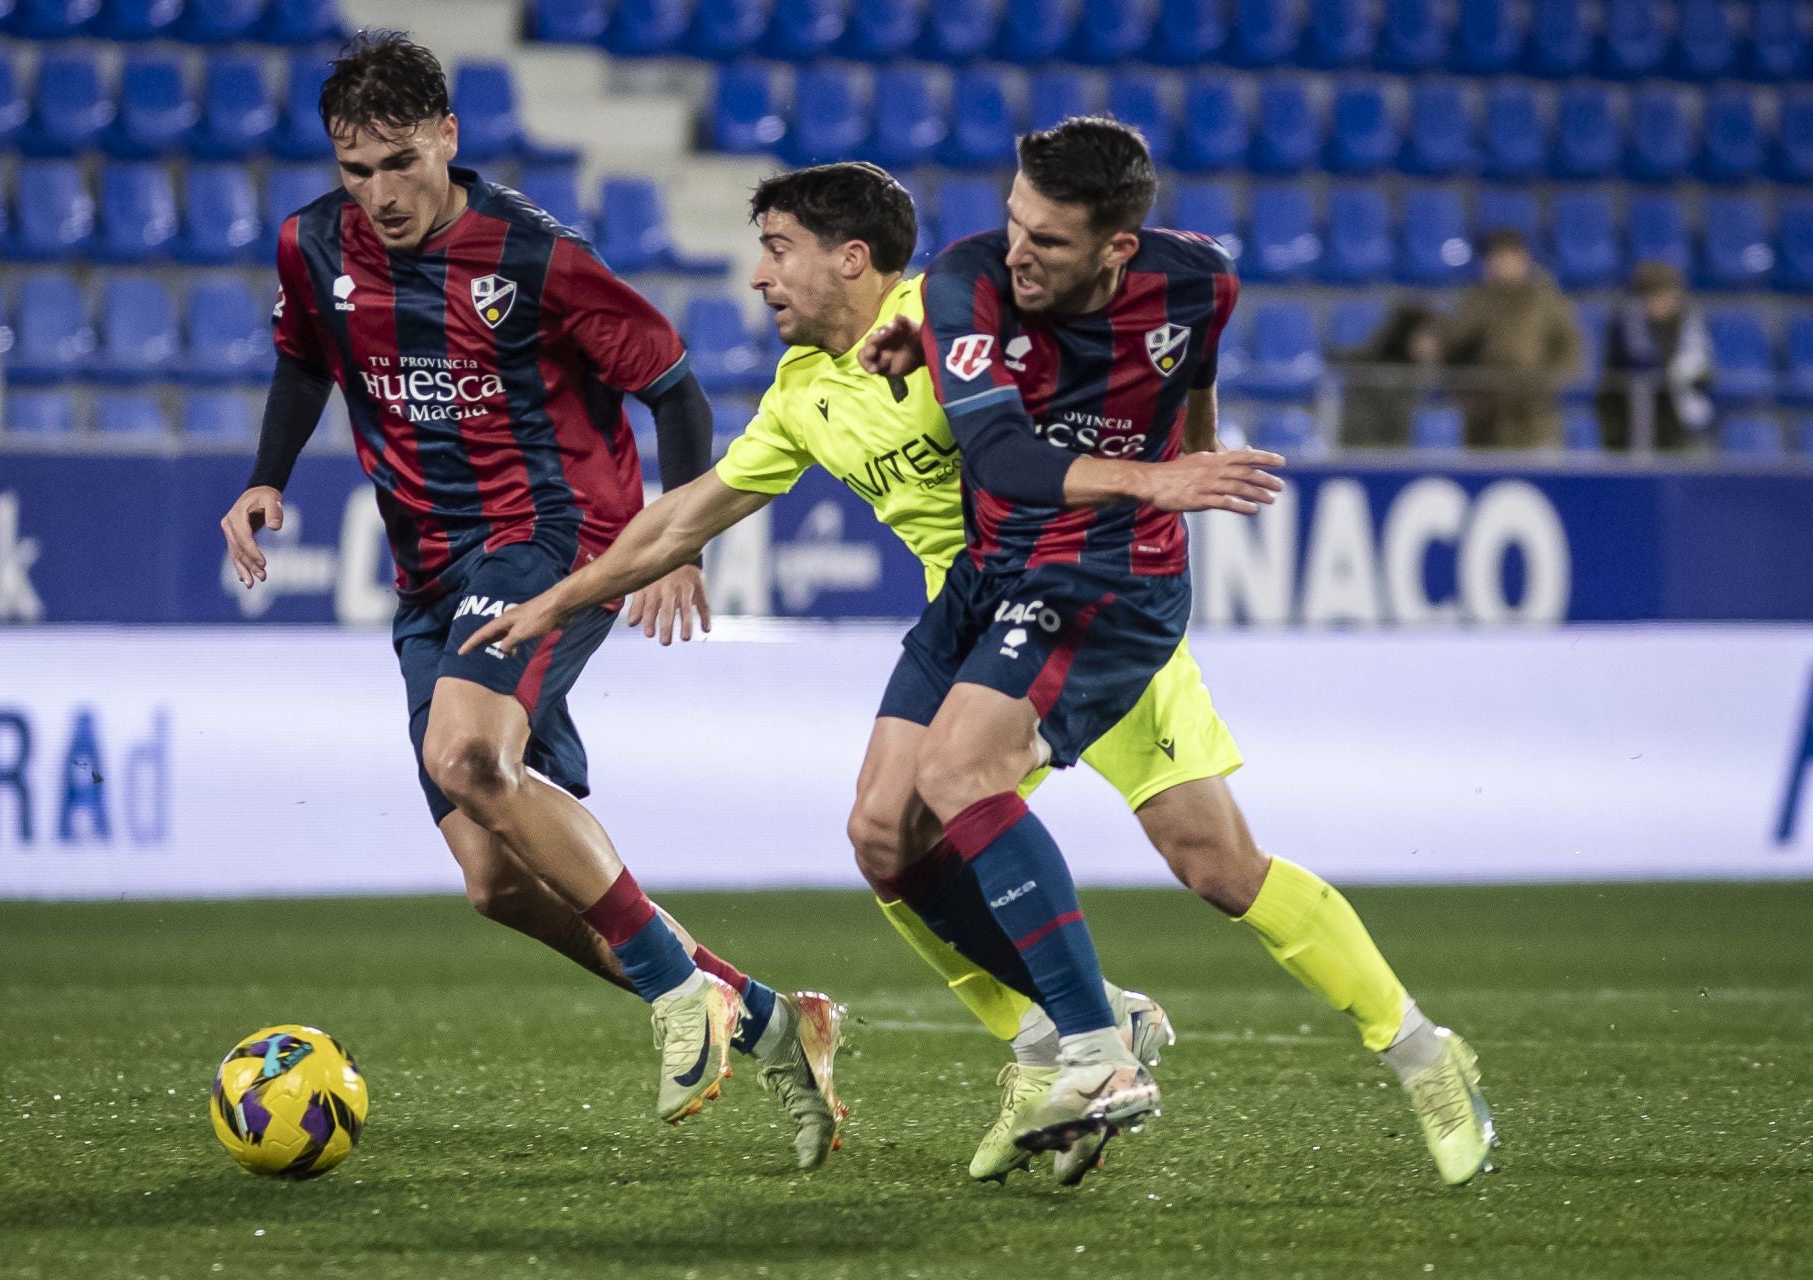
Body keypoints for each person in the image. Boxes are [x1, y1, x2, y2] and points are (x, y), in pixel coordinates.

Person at [467, 135, 1496, 1189]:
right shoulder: (803, 392)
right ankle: (1058, 1039)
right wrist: (562, 597)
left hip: (1086, 590)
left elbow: (1164, 342)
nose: (758, 275)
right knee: (883, 835)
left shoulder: (956, 306)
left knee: (1217, 863)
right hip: (974, 610)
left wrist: (1183, 452)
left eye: (777, 248)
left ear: (855, 259)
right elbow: (686, 514)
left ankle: (1418, 1049)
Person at [215, 30, 845, 1169]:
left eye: (400, 162)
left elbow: (673, 385)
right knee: (496, 878)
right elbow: (305, 360)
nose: (379, 194)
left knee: (468, 754)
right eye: (356, 170)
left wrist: (678, 544)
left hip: (555, 536)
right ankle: (763, 1016)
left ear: (447, 137)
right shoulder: (313, 245)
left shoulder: (537, 257)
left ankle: (672, 992)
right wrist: (264, 475)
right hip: (428, 571)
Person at [1446, 229, 1582, 449]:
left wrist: (1545, 381)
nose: (1501, 263)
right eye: (1495, 257)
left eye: (1507, 256)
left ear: (1522, 259)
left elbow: (1569, 347)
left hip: (1534, 416)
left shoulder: (1545, 299)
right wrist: (1467, 391)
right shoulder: (1475, 299)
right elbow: (1453, 347)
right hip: (1484, 418)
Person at [1598, 260, 1714, 452]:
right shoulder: (1624, 326)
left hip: (1682, 427)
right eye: (1656, 296)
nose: (1665, 302)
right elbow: (1632, 368)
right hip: (1629, 428)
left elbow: (1705, 373)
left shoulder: (1691, 327)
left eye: (1670, 294)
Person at [1337, 303, 1445, 448]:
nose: (1434, 344)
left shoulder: (1407, 375)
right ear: (1407, 336)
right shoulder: (1386, 379)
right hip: (1370, 454)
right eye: (1428, 335)